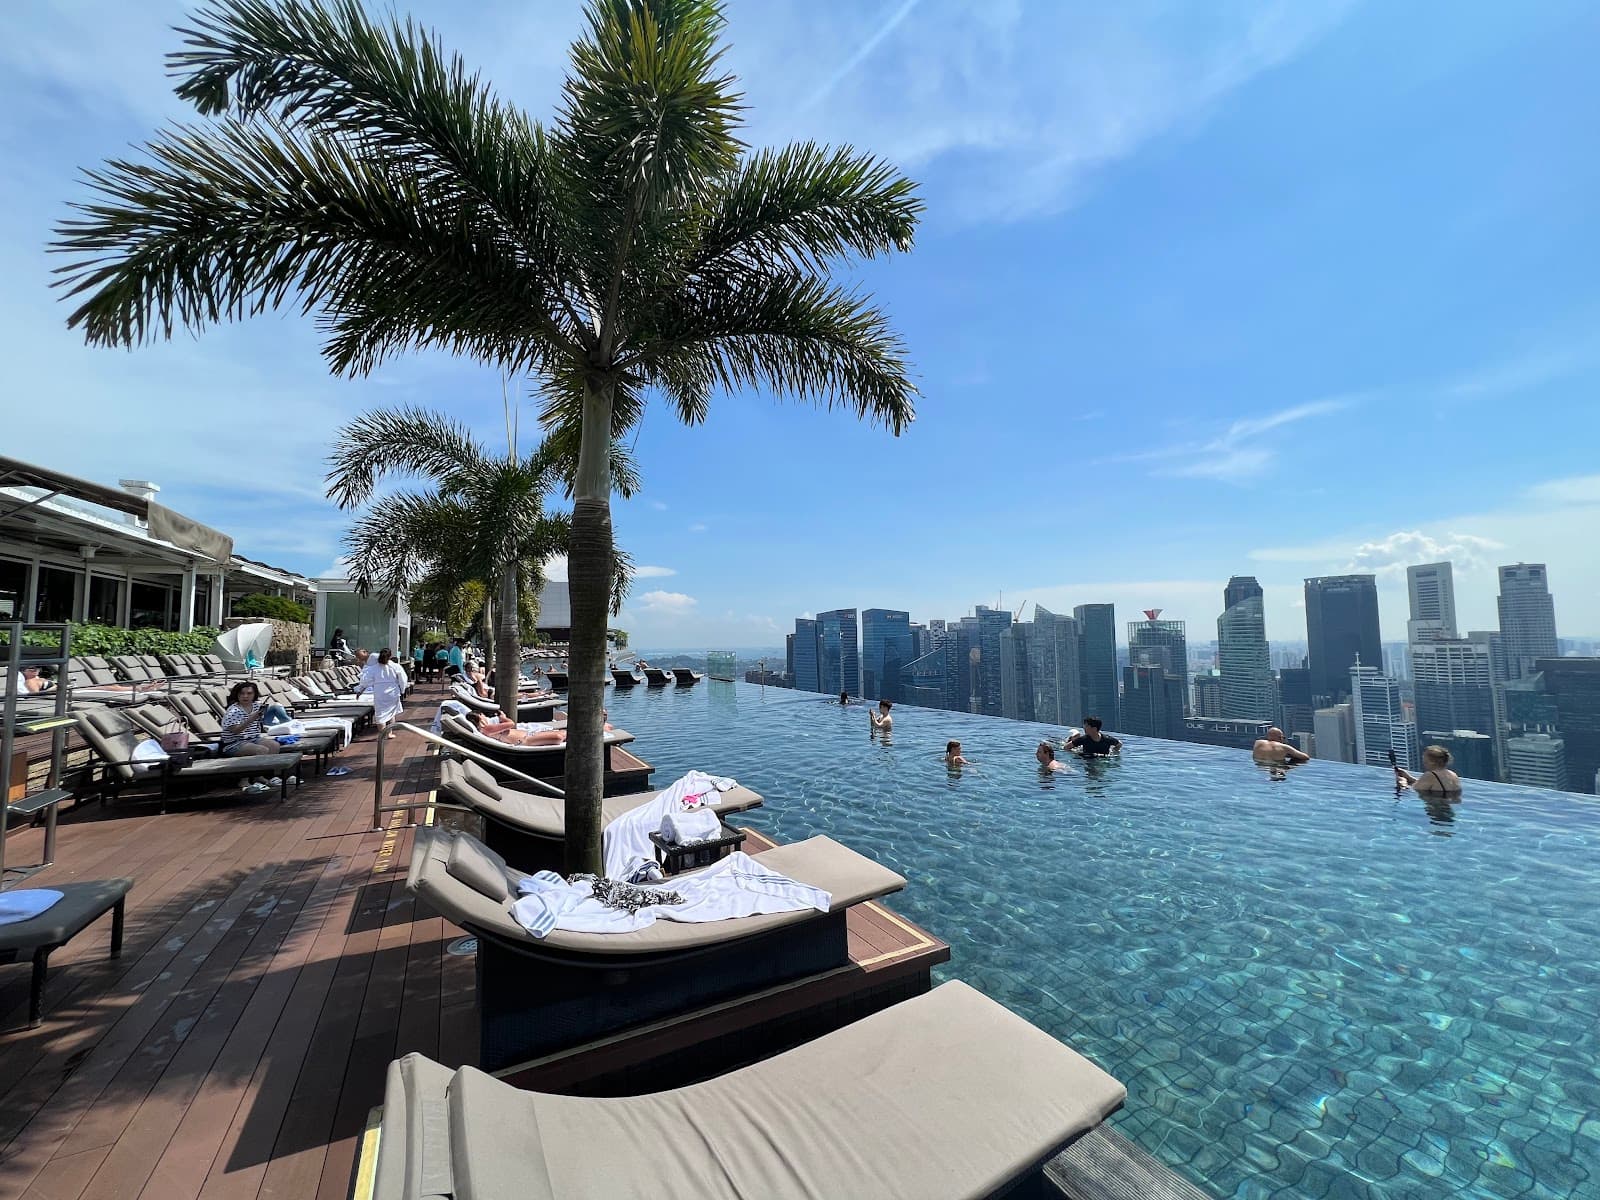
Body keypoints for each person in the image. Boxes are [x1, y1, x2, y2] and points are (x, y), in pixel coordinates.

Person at [359, 647, 409, 739]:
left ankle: (382, 734)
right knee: (391, 713)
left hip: (380, 691)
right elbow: (403, 679)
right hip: (393, 691)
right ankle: (389, 733)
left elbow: (365, 680)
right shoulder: (395, 666)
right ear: (390, 656)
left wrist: (364, 687)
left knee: (380, 714)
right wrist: (402, 690)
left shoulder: (373, 668)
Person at [1394, 745, 1462, 796]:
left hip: (1435, 811)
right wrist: (1408, 777)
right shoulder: (1453, 775)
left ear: (1432, 762)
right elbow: (1432, 785)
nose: (1423, 760)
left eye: (1424, 758)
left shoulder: (1430, 775)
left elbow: (1410, 791)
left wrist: (1402, 782)